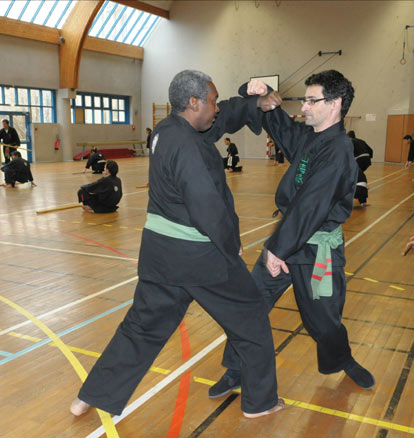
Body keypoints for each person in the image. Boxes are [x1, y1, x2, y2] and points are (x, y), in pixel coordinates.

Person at [70, 70, 284, 419]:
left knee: (142, 327)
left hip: (160, 256)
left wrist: (252, 103)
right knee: (251, 317)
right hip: (201, 258)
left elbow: (222, 118)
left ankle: (90, 396)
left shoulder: (170, 129)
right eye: (212, 101)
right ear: (194, 102)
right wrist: (232, 245)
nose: (216, 108)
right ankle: (260, 403)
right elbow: (208, 209)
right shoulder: (189, 148)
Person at [209, 70, 375, 400]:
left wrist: (277, 250)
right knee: (249, 304)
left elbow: (312, 206)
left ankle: (342, 358)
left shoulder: (340, 151)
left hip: (316, 250)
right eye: (305, 100)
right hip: (286, 238)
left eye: (312, 101)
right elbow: (274, 116)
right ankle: (237, 369)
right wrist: (255, 89)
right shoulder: (307, 136)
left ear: (335, 104)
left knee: (324, 321)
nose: (305, 107)